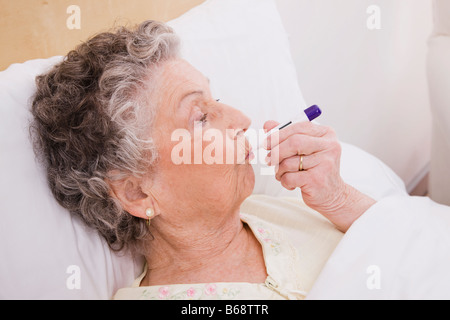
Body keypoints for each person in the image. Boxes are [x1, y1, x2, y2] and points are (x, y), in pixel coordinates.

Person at [30, 20, 376, 300]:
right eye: (201, 117)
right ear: (137, 192)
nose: (240, 119)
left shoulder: (290, 210)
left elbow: (418, 252)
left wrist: (340, 199)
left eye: (218, 100)